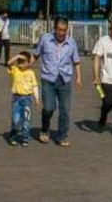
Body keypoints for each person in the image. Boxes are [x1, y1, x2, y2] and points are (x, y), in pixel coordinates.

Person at [33, 17, 81, 147]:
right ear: (54, 29)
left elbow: (76, 61)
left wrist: (78, 77)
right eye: (59, 30)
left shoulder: (71, 43)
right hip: (48, 78)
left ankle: (62, 136)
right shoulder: (45, 39)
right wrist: (26, 69)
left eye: (64, 30)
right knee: (48, 108)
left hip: (64, 80)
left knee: (65, 110)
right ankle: (45, 129)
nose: (61, 33)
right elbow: (36, 54)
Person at [6, 51, 40, 147]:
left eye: (23, 62)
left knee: (26, 120)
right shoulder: (15, 69)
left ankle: (25, 138)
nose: (21, 64)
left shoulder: (31, 73)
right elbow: (8, 63)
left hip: (27, 99)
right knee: (15, 119)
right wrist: (17, 56)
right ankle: (13, 136)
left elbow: (35, 86)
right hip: (16, 98)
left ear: (28, 63)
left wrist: (36, 98)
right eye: (19, 62)